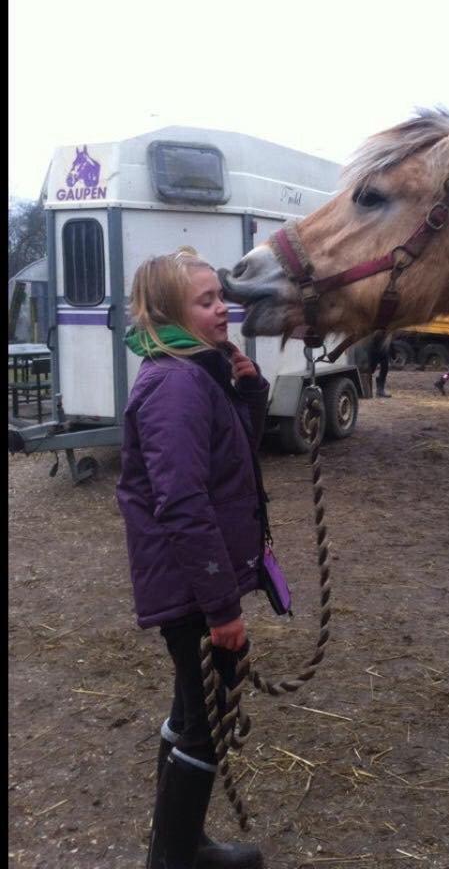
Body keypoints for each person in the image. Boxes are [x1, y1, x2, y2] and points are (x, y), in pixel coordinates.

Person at [116, 247, 267, 869]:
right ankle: (176, 858)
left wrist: (248, 394)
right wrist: (221, 606)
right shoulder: (175, 384)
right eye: (206, 302)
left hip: (195, 584)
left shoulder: (195, 374)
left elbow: (230, 461)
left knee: (193, 706)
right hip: (193, 588)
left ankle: (180, 846)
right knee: (207, 716)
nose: (223, 309)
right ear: (169, 313)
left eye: (220, 297)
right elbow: (182, 500)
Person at [368, 330, 393, 398]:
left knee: (384, 369)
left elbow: (390, 341)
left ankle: (380, 391)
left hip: (384, 350)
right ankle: (367, 391)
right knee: (370, 370)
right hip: (374, 350)